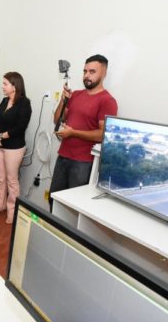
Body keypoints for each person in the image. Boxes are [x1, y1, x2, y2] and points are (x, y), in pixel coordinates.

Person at [49, 54, 118, 209]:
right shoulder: (76, 95)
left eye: (92, 72)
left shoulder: (107, 101)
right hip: (63, 156)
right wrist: (63, 99)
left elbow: (103, 135)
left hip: (83, 162)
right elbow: (57, 119)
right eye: (85, 71)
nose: (87, 75)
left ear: (103, 73)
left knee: (73, 206)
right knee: (54, 200)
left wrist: (73, 133)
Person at [0, 72, 32, 224]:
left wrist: (0, 136)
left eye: (5, 84)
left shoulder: (24, 103)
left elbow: (20, 128)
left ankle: (12, 211)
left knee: (12, 181)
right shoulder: (5, 100)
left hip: (14, 147)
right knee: (0, 178)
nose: (2, 87)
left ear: (15, 86)